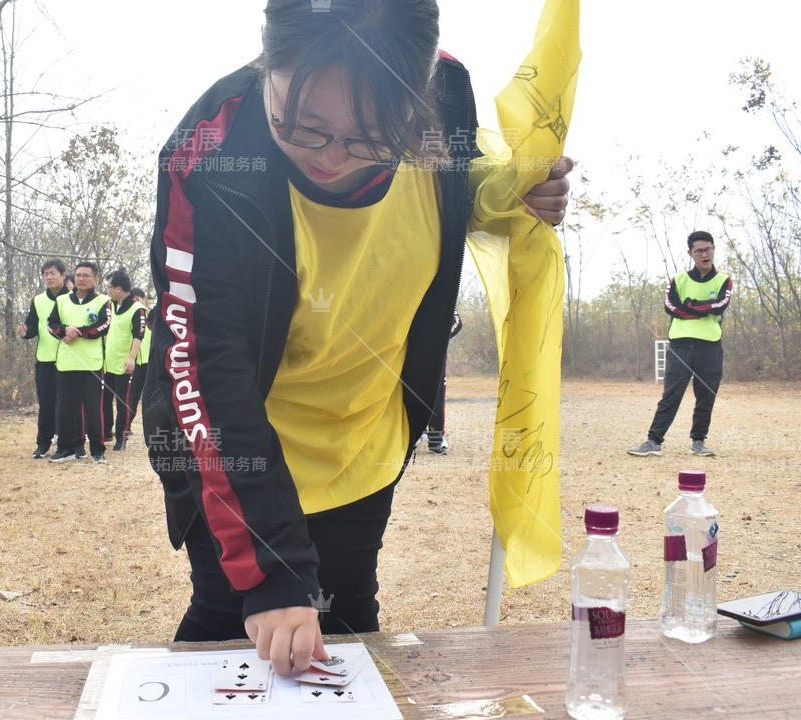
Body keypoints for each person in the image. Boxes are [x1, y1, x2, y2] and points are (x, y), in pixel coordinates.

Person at [144, 0, 571, 678]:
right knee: (231, 624)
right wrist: (272, 570)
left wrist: (503, 194)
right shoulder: (211, 155)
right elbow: (203, 365)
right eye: (304, 127)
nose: (333, 159)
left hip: (363, 436)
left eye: (373, 139)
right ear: (268, 61)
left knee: (346, 630)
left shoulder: (445, 94)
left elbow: (457, 177)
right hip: (238, 452)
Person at [628, 231, 733, 458]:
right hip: (681, 347)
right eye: (699, 251)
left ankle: (698, 442)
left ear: (713, 249)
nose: (704, 254)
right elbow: (670, 307)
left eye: (708, 249)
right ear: (690, 254)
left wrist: (690, 307)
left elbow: (719, 306)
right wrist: (701, 308)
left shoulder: (724, 280)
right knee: (671, 395)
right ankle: (654, 441)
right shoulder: (678, 280)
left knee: (706, 396)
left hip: (710, 347)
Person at [47, 262, 111, 463]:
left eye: (86, 275)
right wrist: (64, 330)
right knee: (66, 408)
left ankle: (98, 450)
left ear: (95, 279)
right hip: (67, 364)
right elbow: (51, 324)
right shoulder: (62, 300)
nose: (81, 279)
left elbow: (104, 325)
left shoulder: (103, 300)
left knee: (93, 409)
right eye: (78, 275)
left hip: (91, 364)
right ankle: (66, 448)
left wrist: (79, 333)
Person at [15, 259, 69, 459]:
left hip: (69, 361)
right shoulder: (38, 300)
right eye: (45, 273)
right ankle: (43, 444)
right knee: (46, 404)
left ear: (63, 275)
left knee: (67, 404)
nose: (48, 277)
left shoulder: (73, 299)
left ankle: (67, 444)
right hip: (45, 359)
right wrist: (25, 331)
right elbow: (32, 327)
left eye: (52, 273)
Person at [101, 269, 146, 451]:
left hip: (124, 363)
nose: (108, 291)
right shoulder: (109, 305)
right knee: (104, 400)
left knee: (122, 402)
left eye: (109, 287)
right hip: (107, 363)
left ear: (118, 288)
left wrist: (131, 358)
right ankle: (106, 433)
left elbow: (139, 335)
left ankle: (122, 437)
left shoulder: (137, 308)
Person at [426, 310, 462, 455]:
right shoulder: (411, 295)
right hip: (412, 355)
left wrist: (439, 337)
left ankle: (435, 441)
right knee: (412, 393)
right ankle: (412, 436)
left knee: (437, 398)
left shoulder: (446, 295)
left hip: (437, 356)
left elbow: (457, 322)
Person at [125, 287, 151, 437]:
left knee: (149, 395)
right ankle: (126, 425)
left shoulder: (150, 316)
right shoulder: (133, 314)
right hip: (136, 361)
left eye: (139, 300)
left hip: (150, 361)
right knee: (132, 395)